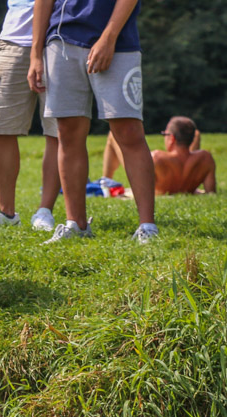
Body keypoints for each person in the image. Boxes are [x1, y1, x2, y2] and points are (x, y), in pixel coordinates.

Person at [28, 0, 157, 244]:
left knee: (129, 131)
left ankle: (147, 227)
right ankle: (76, 224)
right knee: (67, 132)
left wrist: (109, 37)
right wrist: (35, 54)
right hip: (61, 41)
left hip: (118, 41)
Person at [0, 0, 61, 232]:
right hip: (13, 41)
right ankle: (5, 212)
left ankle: (45, 211)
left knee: (58, 132)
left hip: (60, 40)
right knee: (0, 128)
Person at [102, 117, 216, 195]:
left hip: (155, 187)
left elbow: (142, 189)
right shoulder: (206, 158)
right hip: (187, 184)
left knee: (113, 135)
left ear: (172, 138)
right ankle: (105, 181)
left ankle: (105, 182)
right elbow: (211, 192)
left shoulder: (156, 158)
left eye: (164, 134)